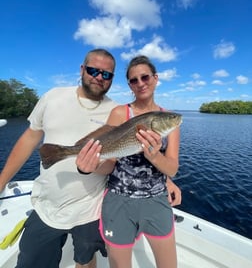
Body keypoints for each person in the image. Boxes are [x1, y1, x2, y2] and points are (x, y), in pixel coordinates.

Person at [0, 49, 181, 268]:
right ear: (82, 69)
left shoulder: (116, 109)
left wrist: (163, 174)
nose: (99, 77)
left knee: (86, 260)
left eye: (106, 74)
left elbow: (156, 164)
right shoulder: (58, 98)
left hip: (94, 208)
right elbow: (30, 139)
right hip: (54, 204)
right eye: (93, 70)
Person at [77, 55, 180, 268]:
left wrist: (154, 155)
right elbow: (109, 162)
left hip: (156, 200)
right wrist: (92, 165)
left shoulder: (169, 118)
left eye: (145, 77)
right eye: (134, 80)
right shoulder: (119, 113)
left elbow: (173, 167)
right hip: (118, 201)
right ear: (129, 85)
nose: (141, 83)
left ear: (155, 78)